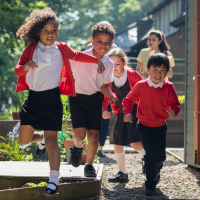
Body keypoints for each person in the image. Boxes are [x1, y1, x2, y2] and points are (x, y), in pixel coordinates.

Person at [14, 7, 105, 196]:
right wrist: (25, 66)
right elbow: (17, 71)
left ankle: (54, 181)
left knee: (52, 142)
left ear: (57, 32)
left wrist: (96, 60)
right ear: (38, 31)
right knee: (23, 141)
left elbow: (77, 55)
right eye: (45, 30)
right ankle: (39, 140)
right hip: (33, 100)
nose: (50, 34)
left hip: (52, 100)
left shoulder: (61, 48)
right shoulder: (31, 49)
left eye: (53, 30)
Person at [123, 53, 180, 196]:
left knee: (160, 156)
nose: (158, 74)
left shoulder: (168, 87)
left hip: (160, 126)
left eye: (162, 71)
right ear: (148, 70)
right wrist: (127, 113)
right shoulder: (141, 85)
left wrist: (174, 111)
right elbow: (128, 100)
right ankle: (150, 184)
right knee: (150, 154)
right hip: (144, 126)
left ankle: (156, 169)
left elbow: (175, 104)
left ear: (167, 72)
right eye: (155, 69)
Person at [69, 22, 117, 177]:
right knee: (80, 135)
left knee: (94, 135)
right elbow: (67, 70)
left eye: (107, 42)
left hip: (95, 98)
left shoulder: (109, 64)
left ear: (112, 43)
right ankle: (77, 145)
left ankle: (89, 165)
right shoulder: (81, 57)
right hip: (77, 97)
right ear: (92, 41)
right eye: (99, 41)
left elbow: (104, 86)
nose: (103, 45)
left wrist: (111, 94)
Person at [102, 48, 145, 183]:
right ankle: (123, 173)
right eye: (111, 64)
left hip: (136, 111)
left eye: (118, 64)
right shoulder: (108, 78)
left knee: (134, 142)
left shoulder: (133, 75)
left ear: (124, 63)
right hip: (121, 112)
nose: (114, 67)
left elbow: (144, 94)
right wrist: (104, 110)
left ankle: (148, 158)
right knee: (117, 140)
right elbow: (105, 97)